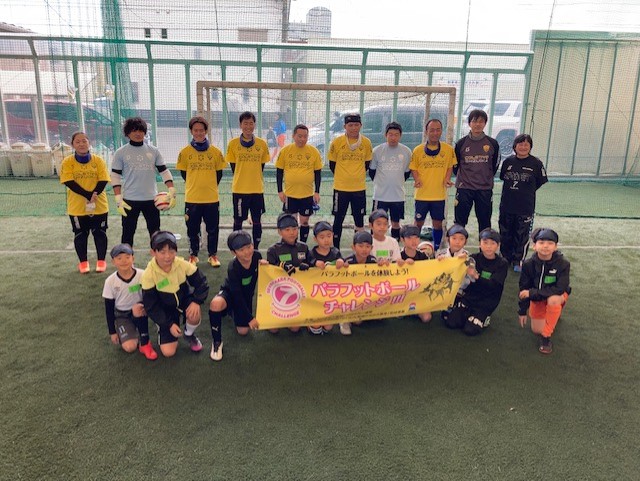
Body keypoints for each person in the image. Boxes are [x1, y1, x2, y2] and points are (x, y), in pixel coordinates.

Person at [141, 230, 209, 357]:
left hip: (184, 300)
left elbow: (202, 282)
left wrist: (196, 301)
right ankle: (163, 327)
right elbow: (151, 307)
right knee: (168, 352)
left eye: (171, 251)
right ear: (153, 252)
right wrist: (169, 324)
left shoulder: (182, 264)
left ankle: (189, 334)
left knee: (194, 313)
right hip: (164, 309)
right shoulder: (148, 275)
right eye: (162, 252)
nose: (168, 256)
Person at [111, 117, 176, 248]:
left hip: (151, 199)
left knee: (155, 233)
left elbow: (164, 171)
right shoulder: (121, 152)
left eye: (141, 130)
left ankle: (157, 257)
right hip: (129, 200)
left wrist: (171, 189)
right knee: (127, 233)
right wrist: (118, 197)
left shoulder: (154, 151)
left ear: (145, 132)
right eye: (134, 130)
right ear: (128, 133)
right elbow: (115, 175)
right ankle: (126, 258)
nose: (138, 133)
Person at [176, 116, 227, 268]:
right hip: (192, 199)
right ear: (191, 131)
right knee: (192, 229)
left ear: (206, 131)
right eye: (196, 130)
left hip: (211, 198)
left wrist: (208, 186)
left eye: (201, 130)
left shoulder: (216, 152)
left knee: (213, 229)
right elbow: (184, 174)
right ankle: (193, 255)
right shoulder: (185, 152)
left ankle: (213, 255)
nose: (199, 133)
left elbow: (219, 174)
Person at [208, 231, 267, 361]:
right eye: (241, 250)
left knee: (243, 331)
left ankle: (231, 311)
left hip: (246, 296)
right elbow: (237, 295)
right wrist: (250, 318)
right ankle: (217, 342)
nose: (247, 252)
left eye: (249, 247)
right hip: (231, 294)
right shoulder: (233, 268)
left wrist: (265, 266)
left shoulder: (257, 256)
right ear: (233, 252)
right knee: (216, 304)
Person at [59, 131, 110, 274]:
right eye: (78, 142)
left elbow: (103, 179)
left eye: (84, 141)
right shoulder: (67, 162)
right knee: (80, 234)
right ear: (72, 145)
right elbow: (68, 181)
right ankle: (83, 262)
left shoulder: (98, 161)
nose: (81, 144)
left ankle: (101, 261)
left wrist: (94, 194)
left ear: (89, 143)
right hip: (77, 207)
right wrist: (88, 195)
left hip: (99, 205)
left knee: (100, 233)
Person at [444, 228, 508, 336]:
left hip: (487, 301)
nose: (488, 246)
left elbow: (494, 285)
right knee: (451, 322)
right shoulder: (473, 258)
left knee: (470, 330)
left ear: (498, 245)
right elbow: (454, 269)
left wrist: (476, 276)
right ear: (480, 243)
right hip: (470, 298)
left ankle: (485, 317)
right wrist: (444, 260)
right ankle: (467, 312)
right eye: (485, 242)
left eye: (492, 243)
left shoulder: (502, 263)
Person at [499, 134, 548, 272]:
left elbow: (540, 182)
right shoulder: (508, 162)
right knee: (505, 233)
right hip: (507, 205)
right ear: (515, 146)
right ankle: (505, 258)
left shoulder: (536, 163)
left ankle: (518, 261)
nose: (523, 147)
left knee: (522, 235)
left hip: (525, 207)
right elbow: (503, 177)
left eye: (526, 144)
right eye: (520, 144)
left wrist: (526, 191)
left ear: (530, 147)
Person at [518, 228, 571, 354]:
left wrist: (532, 293)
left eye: (550, 243)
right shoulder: (528, 264)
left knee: (554, 300)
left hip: (556, 295)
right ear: (534, 246)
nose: (545, 246)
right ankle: (553, 314)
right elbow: (524, 289)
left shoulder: (563, 264)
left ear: (555, 247)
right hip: (538, 298)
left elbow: (560, 288)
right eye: (541, 242)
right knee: (536, 330)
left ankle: (546, 337)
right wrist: (522, 311)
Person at [102, 243, 158, 360]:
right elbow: (109, 308)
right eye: (119, 258)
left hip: (141, 309)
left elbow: (154, 292)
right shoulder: (110, 281)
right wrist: (112, 332)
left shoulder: (142, 274)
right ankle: (131, 332)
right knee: (130, 347)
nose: (124, 261)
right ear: (113, 262)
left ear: (133, 258)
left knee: (138, 308)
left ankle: (145, 342)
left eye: (127, 257)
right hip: (122, 315)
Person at [410, 118, 457, 251]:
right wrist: (417, 179)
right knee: (418, 223)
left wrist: (447, 178)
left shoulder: (448, 149)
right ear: (426, 131)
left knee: (437, 224)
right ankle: (413, 248)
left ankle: (436, 250)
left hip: (439, 195)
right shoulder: (418, 150)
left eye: (438, 130)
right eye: (432, 130)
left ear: (441, 131)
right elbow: (413, 167)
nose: (435, 133)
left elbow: (450, 166)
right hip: (422, 195)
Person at [328, 113, 373, 248]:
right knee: (338, 219)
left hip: (359, 188)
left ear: (361, 125)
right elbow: (332, 164)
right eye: (350, 125)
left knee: (359, 220)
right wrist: (343, 176)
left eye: (356, 125)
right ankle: (335, 249)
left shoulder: (366, 142)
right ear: (345, 126)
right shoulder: (337, 142)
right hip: (341, 188)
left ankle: (359, 249)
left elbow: (367, 164)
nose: (353, 128)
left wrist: (355, 176)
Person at [226, 111, 270, 249]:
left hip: (257, 189)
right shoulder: (233, 144)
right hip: (240, 190)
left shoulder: (262, 144)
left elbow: (261, 166)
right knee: (238, 220)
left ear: (254, 125)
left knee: (257, 220)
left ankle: (255, 247)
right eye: (245, 123)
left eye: (251, 123)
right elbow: (234, 167)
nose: (248, 126)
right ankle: (236, 247)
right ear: (240, 125)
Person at [266, 213, 314, 333]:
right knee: (273, 330)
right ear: (279, 232)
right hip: (279, 292)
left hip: (300, 291)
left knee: (295, 328)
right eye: (287, 230)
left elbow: (312, 267)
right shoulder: (273, 250)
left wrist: (307, 266)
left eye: (294, 229)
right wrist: (281, 265)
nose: (291, 232)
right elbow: (268, 272)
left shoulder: (303, 247)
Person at [453, 109, 500, 233]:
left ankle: (484, 246)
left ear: (485, 123)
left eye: (481, 121)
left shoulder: (492, 143)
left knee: (485, 222)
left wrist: (485, 177)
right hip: (464, 188)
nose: (477, 124)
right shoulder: (461, 143)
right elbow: (455, 165)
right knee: (459, 222)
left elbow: (495, 164)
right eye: (474, 121)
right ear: (469, 123)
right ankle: (457, 245)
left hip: (484, 189)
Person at [275, 124, 323, 243]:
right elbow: (279, 172)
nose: (302, 139)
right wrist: (280, 191)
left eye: (305, 136)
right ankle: (292, 245)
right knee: (291, 223)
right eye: (299, 136)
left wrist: (317, 192)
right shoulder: (285, 151)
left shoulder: (313, 151)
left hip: (307, 194)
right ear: (293, 136)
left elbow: (318, 173)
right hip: (290, 195)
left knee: (304, 221)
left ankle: (303, 245)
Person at [369, 122, 412, 241]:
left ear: (400, 136)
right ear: (385, 135)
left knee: (396, 223)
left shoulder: (407, 151)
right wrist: (381, 183)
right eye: (390, 134)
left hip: (398, 196)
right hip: (380, 195)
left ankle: (395, 245)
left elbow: (406, 173)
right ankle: (375, 246)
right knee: (376, 222)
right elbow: (372, 171)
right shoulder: (377, 151)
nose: (393, 137)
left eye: (396, 135)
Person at [339, 231, 387, 336]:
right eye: (360, 246)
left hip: (366, 294)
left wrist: (383, 265)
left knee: (380, 316)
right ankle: (344, 320)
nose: (364, 249)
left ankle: (365, 312)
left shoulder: (373, 261)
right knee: (357, 321)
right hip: (350, 295)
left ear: (371, 248)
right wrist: (340, 266)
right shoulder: (348, 262)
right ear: (353, 247)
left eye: (367, 246)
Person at [308, 221, 345, 335]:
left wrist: (341, 261)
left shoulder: (335, 252)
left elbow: (343, 263)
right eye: (322, 237)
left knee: (328, 327)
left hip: (331, 292)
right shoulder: (311, 253)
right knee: (315, 327)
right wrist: (314, 263)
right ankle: (310, 323)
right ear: (315, 239)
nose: (326, 240)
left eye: (329, 236)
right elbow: (305, 267)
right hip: (314, 293)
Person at [399, 225, 432, 323]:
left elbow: (431, 273)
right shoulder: (398, 256)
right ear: (402, 240)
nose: (414, 241)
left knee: (426, 318)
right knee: (398, 313)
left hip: (419, 293)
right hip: (402, 294)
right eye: (409, 238)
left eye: (416, 237)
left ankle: (416, 309)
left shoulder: (423, 256)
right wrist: (403, 265)